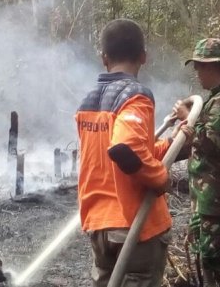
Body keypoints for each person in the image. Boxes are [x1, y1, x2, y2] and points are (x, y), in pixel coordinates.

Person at [76, 19, 192, 287]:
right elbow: (125, 148)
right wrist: (159, 178)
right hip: (134, 226)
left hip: (100, 225)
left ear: (103, 58)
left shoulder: (88, 102)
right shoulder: (136, 96)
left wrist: (174, 143)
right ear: (143, 56)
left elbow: (127, 152)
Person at [173, 38, 220, 287]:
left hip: (219, 198)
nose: (197, 73)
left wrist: (188, 119)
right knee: (208, 255)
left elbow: (210, 142)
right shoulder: (215, 100)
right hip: (208, 198)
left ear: (215, 67)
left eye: (200, 67)